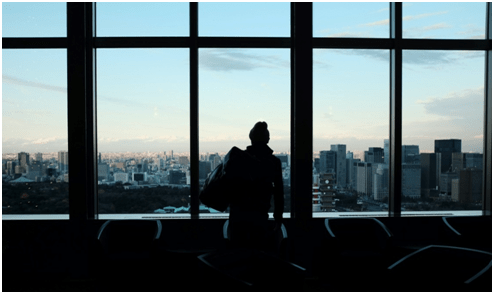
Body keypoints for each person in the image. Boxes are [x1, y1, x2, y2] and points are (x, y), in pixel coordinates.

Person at [228, 121, 284, 252]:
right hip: (259, 216)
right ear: (267, 139)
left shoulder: (239, 158)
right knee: (258, 256)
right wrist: (278, 217)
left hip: (237, 215)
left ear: (251, 138)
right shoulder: (273, 162)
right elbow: (278, 192)